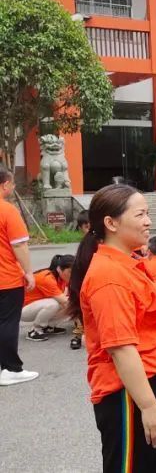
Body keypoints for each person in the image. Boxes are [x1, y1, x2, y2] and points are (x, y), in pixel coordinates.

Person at [65, 184, 156, 470]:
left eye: (147, 213)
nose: (148, 221)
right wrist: (149, 406)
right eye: (140, 214)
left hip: (149, 381)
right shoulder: (109, 276)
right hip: (130, 392)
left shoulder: (128, 262)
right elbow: (121, 349)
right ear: (111, 223)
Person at [0, 165, 38, 386]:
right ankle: (10, 369)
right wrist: (29, 272)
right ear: (5, 184)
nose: (13, 187)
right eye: (12, 183)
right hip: (6, 278)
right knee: (7, 323)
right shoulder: (7, 210)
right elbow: (19, 245)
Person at [22, 254, 75, 341]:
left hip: (35, 306)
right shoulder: (46, 278)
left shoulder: (62, 278)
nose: (73, 274)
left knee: (70, 302)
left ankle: (49, 327)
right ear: (59, 269)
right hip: (23, 309)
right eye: (70, 271)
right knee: (55, 303)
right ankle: (35, 330)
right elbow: (65, 302)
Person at [71, 211, 91, 350]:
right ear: (80, 228)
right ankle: (79, 333)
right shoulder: (82, 248)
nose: (89, 230)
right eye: (86, 227)